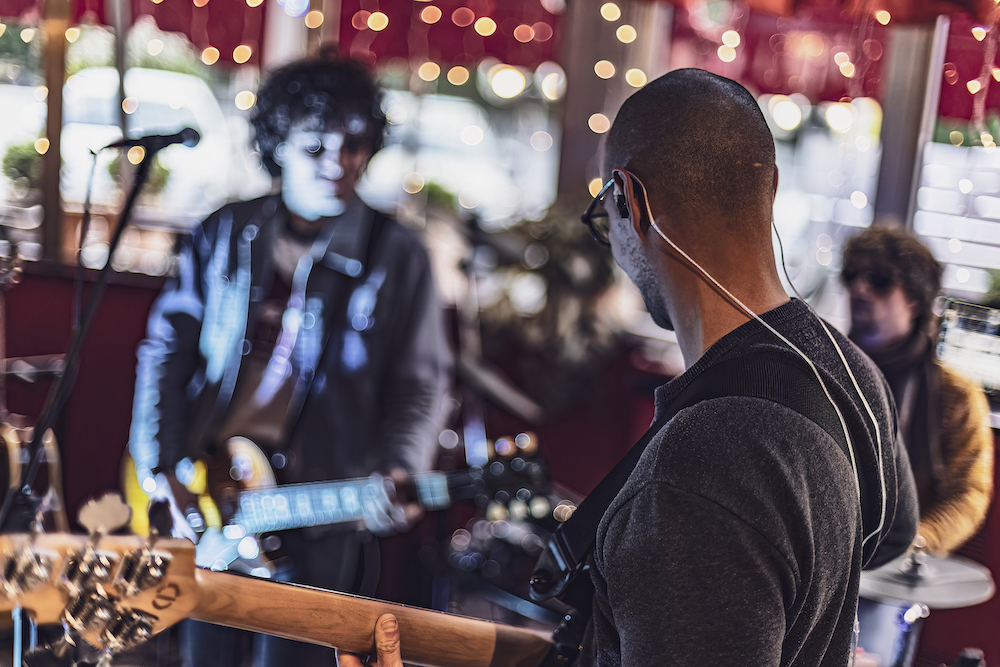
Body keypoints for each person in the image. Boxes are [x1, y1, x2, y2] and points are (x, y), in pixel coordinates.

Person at [345, 68, 919, 667]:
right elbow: (889, 539)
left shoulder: (702, 462)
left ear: (629, 200)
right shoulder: (851, 373)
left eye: (604, 215)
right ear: (769, 188)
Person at [128, 56, 449, 667]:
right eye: (315, 145)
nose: (338, 161)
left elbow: (419, 384)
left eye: (354, 143)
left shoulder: (400, 254)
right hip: (216, 494)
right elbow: (165, 355)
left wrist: (401, 466)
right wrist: (158, 470)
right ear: (278, 145)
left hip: (322, 509)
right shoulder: (225, 232)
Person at [843, 226, 993, 556]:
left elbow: (968, 496)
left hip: (892, 565)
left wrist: (912, 543)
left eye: (879, 279)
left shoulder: (957, 397)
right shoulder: (827, 369)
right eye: (851, 274)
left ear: (914, 298)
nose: (859, 288)